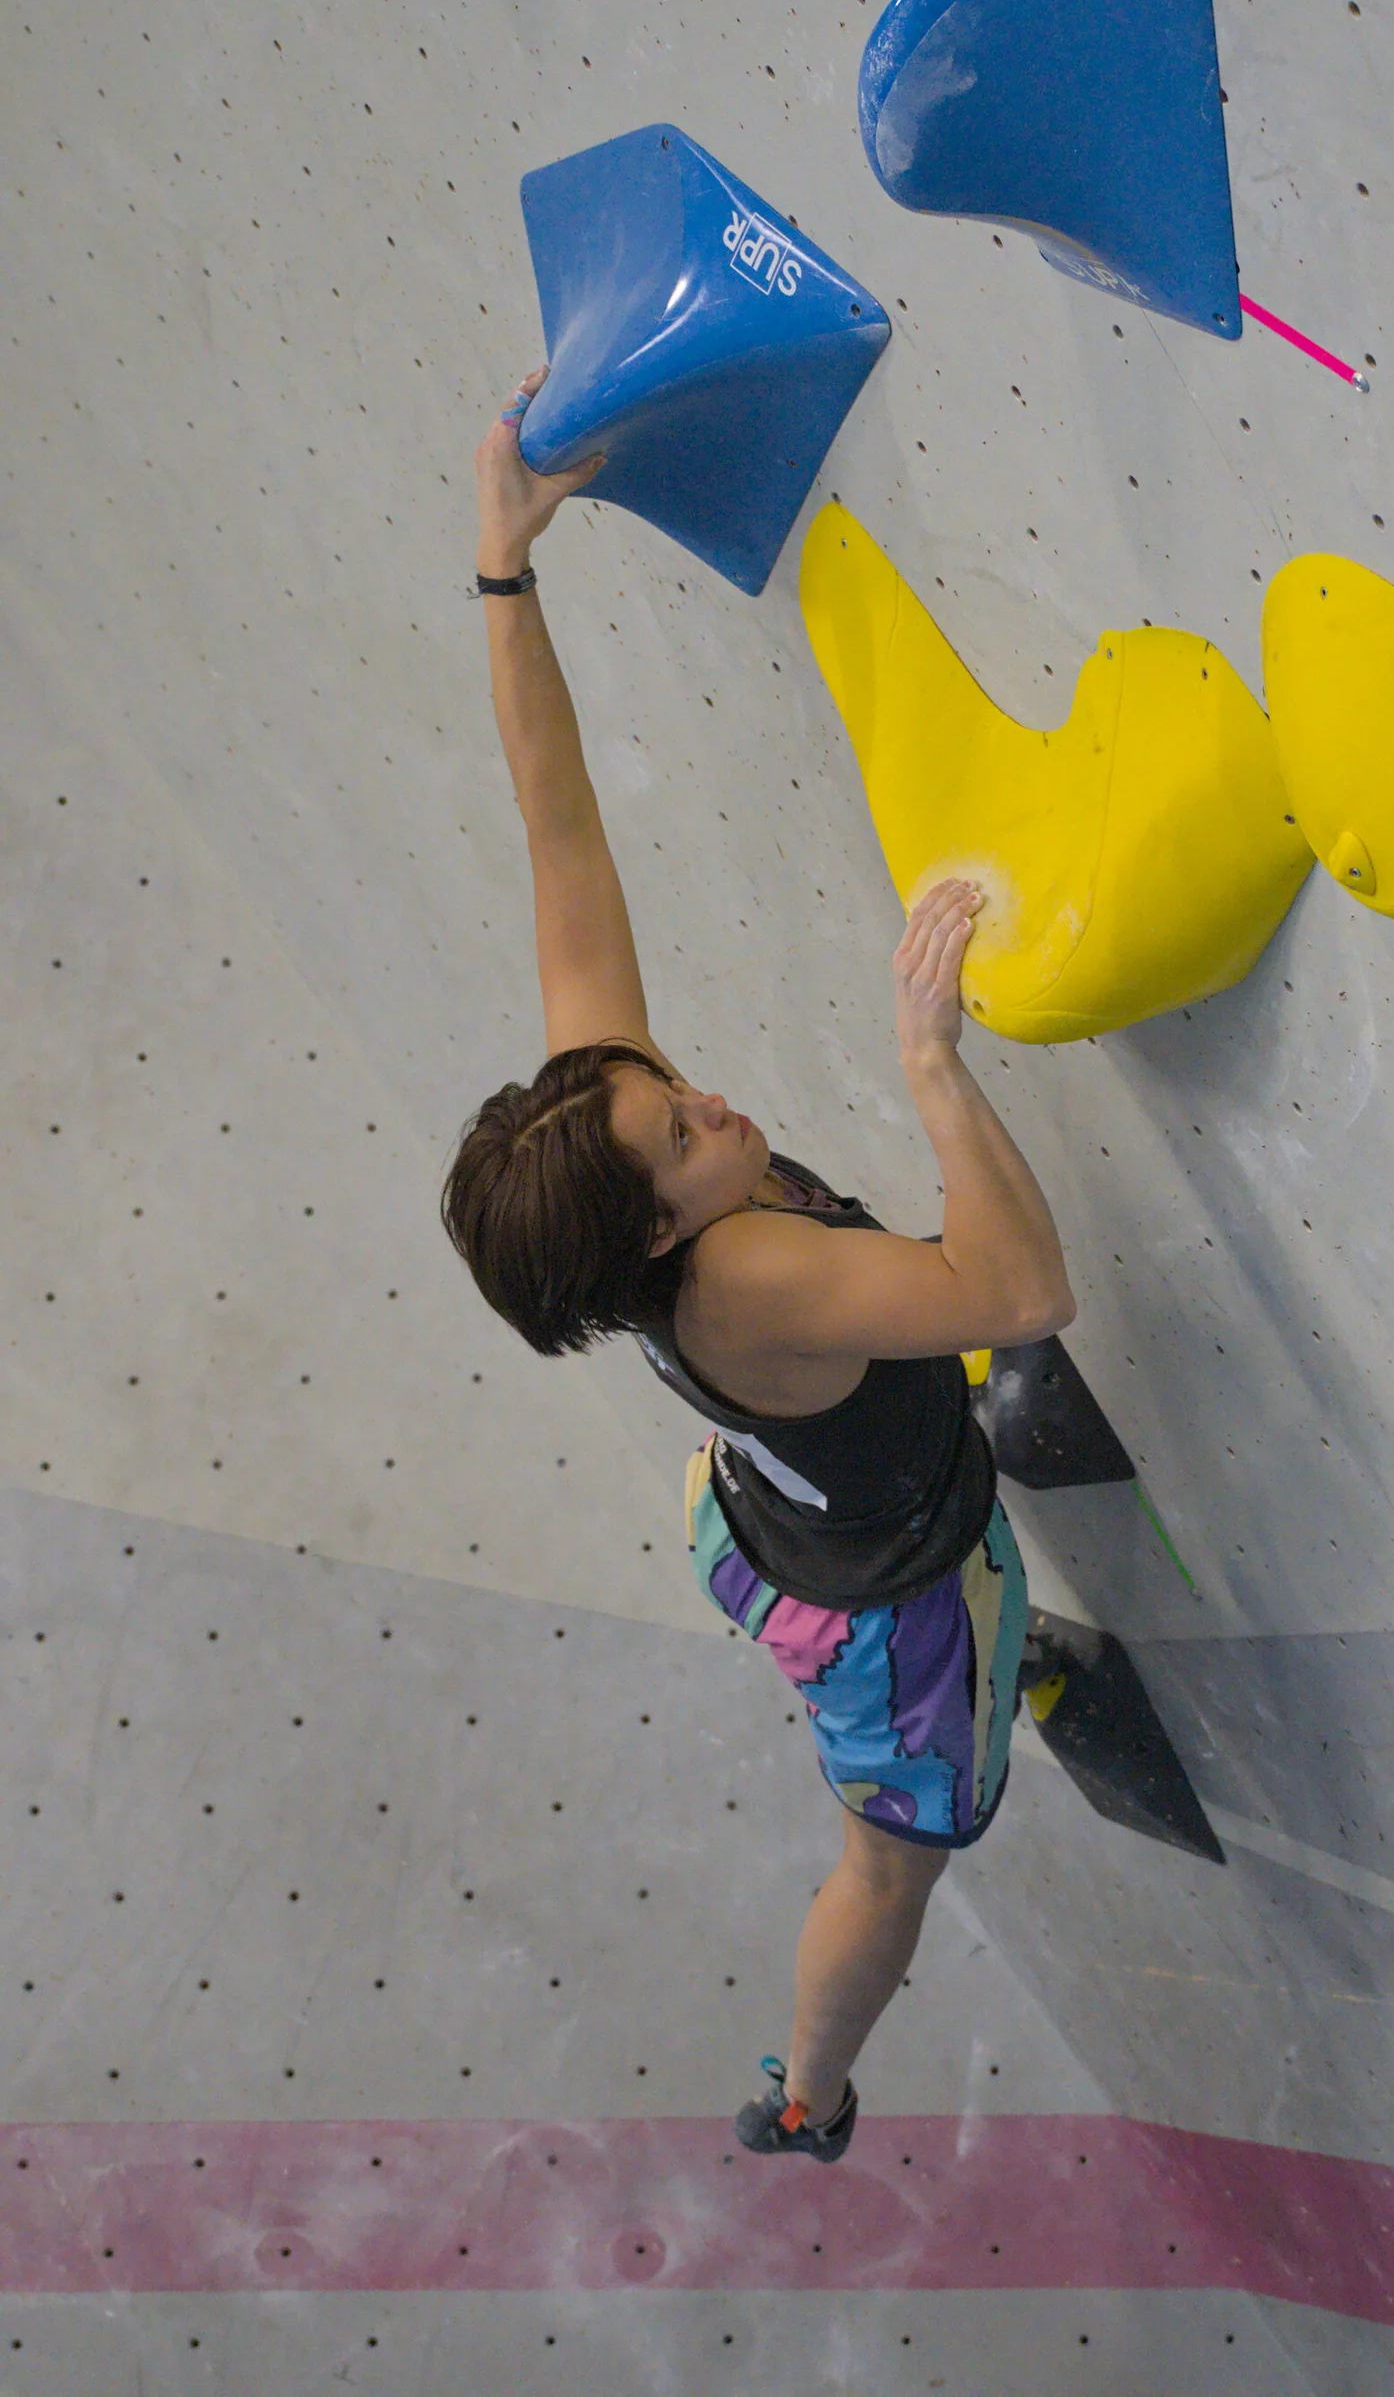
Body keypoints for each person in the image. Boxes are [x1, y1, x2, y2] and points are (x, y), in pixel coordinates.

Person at [440, 369, 1077, 2162]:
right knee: (895, 1860)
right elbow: (1022, 1292)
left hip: (770, 1513)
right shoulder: (751, 1282)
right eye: (688, 1137)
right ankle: (808, 2092)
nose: (705, 1098)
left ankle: (990, 1656)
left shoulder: (609, 1126)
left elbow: (557, 822)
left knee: (901, 1426)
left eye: (657, 1087)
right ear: (658, 1229)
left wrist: (505, 569)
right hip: (885, 1607)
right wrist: (935, 1072)